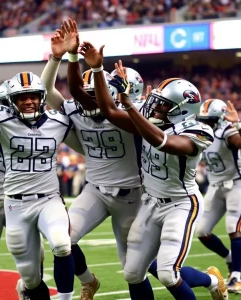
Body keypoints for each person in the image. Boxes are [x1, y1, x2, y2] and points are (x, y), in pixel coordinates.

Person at [78, 41, 228, 300]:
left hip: (181, 204)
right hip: (150, 202)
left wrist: (130, 106)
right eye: (155, 103)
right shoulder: (150, 121)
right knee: (133, 273)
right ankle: (213, 280)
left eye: (161, 105)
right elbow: (108, 110)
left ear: (182, 110)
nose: (154, 109)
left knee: (169, 273)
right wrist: (98, 69)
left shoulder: (198, 130)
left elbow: (165, 142)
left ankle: (213, 281)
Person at [0, 40, 84, 300]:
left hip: (49, 199)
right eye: (21, 98)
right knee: (29, 277)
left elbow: (88, 146)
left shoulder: (58, 121)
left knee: (61, 244)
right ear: (11, 102)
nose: (28, 102)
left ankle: (66, 298)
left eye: (33, 97)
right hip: (13, 204)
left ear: (42, 98)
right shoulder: (0, 122)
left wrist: (58, 57)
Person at [40, 20, 145, 300]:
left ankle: (208, 281)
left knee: (139, 267)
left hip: (132, 195)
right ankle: (88, 281)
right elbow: (46, 90)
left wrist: (95, 68)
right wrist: (62, 56)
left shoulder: (128, 115)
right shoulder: (76, 110)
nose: (87, 100)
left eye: (93, 94)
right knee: (62, 239)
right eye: (84, 95)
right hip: (95, 190)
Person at [196, 98, 241, 294]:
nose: (205, 124)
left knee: (234, 227)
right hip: (215, 186)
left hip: (236, 184)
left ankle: (238, 277)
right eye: (203, 120)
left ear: (221, 119)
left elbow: (238, 142)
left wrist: (237, 124)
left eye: (210, 121)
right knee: (202, 231)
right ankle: (230, 258)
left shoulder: (227, 131)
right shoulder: (200, 134)